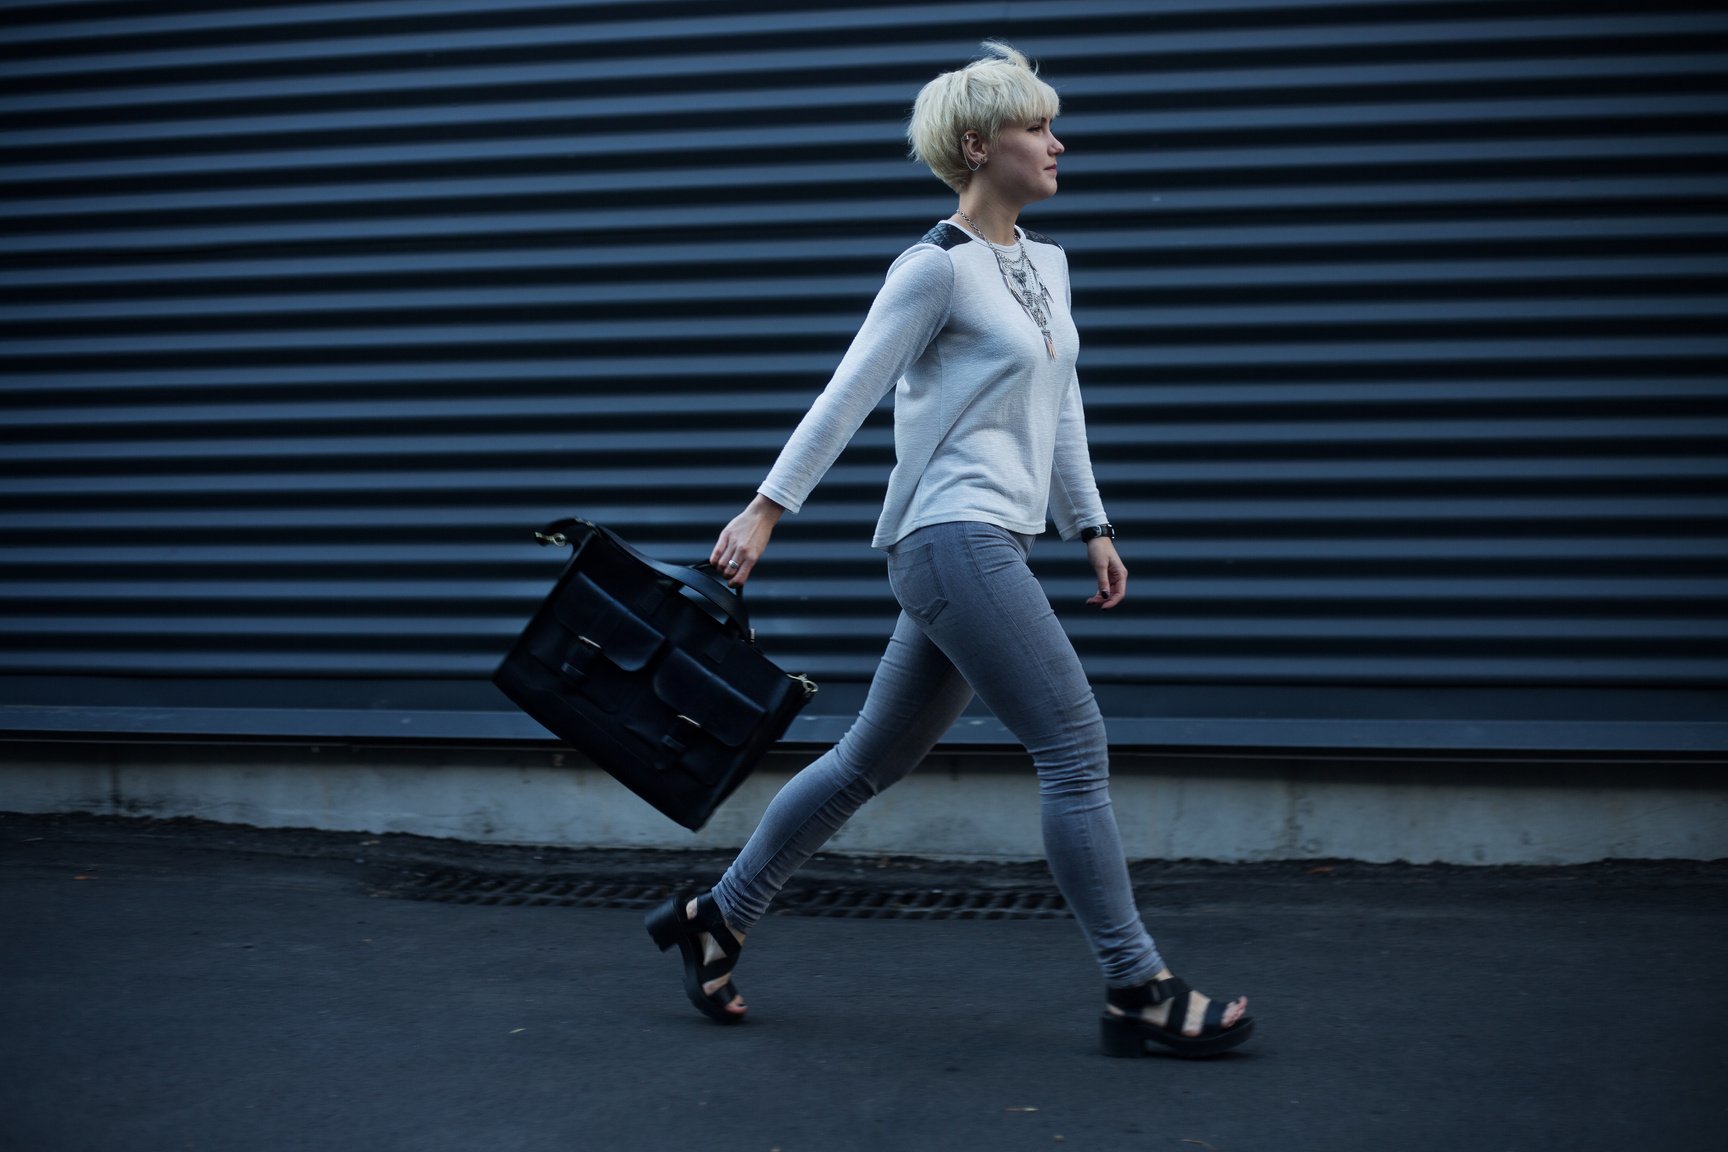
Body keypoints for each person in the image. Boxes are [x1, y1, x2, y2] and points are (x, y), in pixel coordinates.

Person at [645, 41, 1254, 1059]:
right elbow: (848, 395)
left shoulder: (1046, 266)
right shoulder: (932, 270)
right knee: (1072, 744)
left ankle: (718, 914)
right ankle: (1135, 985)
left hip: (992, 544)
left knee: (863, 762)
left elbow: (1061, 409)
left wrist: (1091, 523)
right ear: (980, 145)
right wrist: (765, 510)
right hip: (949, 536)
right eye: (1036, 127)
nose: (1058, 143)